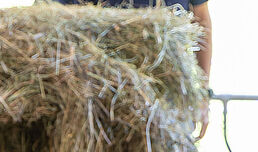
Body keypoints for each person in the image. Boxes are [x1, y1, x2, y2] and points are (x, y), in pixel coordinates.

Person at [53, 0, 212, 138]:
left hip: (167, 100)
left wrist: (202, 93)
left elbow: (202, 22)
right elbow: (52, 20)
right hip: (99, 99)